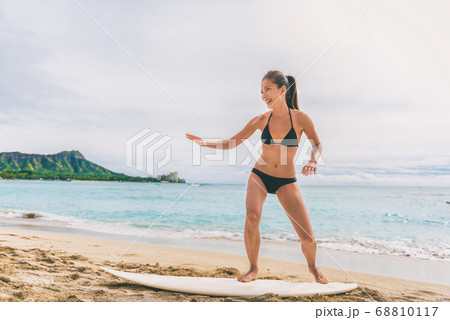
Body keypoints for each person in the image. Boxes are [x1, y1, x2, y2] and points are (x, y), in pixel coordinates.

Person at [186, 70, 328, 284]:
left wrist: (313, 160)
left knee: (307, 238)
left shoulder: (301, 118)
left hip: (286, 181)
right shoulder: (262, 119)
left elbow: (317, 144)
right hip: (260, 175)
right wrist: (206, 143)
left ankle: (312, 267)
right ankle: (253, 269)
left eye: (267, 89)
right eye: (261, 91)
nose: (263, 95)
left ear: (282, 89)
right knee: (252, 217)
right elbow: (232, 142)